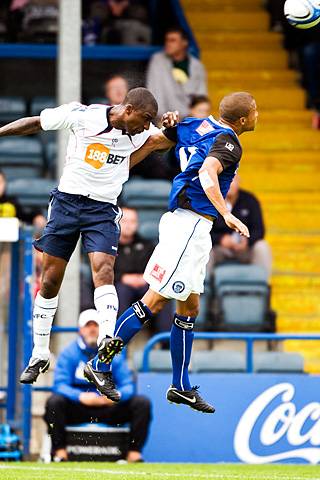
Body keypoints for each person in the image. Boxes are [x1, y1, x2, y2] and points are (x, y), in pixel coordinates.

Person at [0, 87, 178, 398]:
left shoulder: (142, 131)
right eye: (145, 119)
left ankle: (105, 345)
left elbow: (165, 139)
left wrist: (174, 127)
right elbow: (36, 122)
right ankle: (40, 354)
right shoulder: (82, 116)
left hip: (102, 210)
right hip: (67, 204)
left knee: (103, 270)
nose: (146, 125)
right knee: (50, 279)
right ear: (129, 110)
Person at [87, 92, 258, 414]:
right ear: (243, 120)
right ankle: (100, 363)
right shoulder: (229, 142)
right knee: (156, 299)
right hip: (189, 225)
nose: (258, 116)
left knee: (190, 304)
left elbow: (153, 142)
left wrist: (115, 170)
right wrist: (227, 213)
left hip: (191, 227)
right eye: (255, 112)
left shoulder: (192, 124)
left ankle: (180, 385)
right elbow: (208, 174)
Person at [44, 309, 151, 463]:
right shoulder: (69, 354)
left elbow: (128, 385)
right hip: (79, 407)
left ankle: (134, 453)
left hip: (108, 407)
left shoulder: (114, 354)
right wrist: (80, 397)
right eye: (88, 325)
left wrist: (115, 396)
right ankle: (60, 452)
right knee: (54, 402)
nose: (92, 329)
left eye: (96, 325)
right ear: (81, 329)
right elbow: (60, 385)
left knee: (142, 403)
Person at [115, 206, 173, 332]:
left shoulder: (147, 245)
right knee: (121, 292)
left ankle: (165, 339)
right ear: (117, 221)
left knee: (161, 293)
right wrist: (122, 278)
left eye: (132, 221)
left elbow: (158, 267)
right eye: (125, 221)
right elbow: (102, 271)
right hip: (120, 285)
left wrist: (146, 278)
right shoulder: (109, 246)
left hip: (145, 283)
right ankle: (119, 337)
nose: (128, 225)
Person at [211, 175, 272, 278]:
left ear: (239, 181)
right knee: (203, 248)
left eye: (232, 180)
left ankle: (261, 284)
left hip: (244, 249)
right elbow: (203, 231)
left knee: (262, 246)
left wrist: (247, 241)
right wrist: (220, 239)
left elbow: (259, 230)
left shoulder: (250, 200)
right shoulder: (212, 200)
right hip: (219, 248)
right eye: (226, 180)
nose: (230, 184)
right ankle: (202, 288)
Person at [147, 27, 207, 119]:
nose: (168, 43)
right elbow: (155, 91)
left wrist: (194, 118)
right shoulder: (158, 60)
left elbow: (201, 96)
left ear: (184, 43)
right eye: (167, 40)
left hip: (190, 119)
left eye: (173, 40)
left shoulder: (197, 65)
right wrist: (162, 117)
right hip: (164, 118)